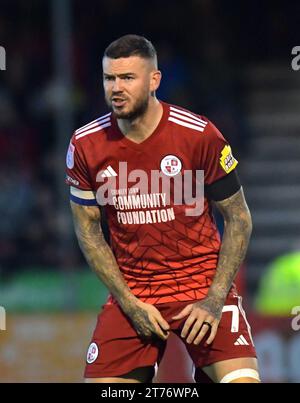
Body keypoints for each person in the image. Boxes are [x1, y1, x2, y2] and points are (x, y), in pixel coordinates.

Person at [65, 34, 260, 383]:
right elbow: (88, 230)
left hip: (202, 287)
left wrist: (215, 300)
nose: (116, 88)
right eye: (110, 78)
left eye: (128, 78)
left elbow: (239, 218)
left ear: (154, 80)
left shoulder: (199, 135)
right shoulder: (85, 144)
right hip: (134, 294)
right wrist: (127, 302)